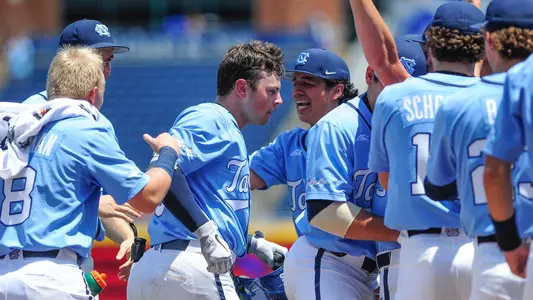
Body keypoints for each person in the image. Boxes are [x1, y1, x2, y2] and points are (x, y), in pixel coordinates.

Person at [250, 39, 426, 300]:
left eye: (308, 82)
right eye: (295, 82)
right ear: (369, 75)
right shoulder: (335, 127)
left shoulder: (408, 129)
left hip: (372, 269)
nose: (296, 90)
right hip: (328, 259)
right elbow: (326, 214)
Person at [0, 46, 180, 299]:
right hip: (51, 278)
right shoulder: (83, 129)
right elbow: (147, 198)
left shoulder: (13, 128)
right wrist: (167, 153)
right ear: (93, 94)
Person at [127, 40, 288, 300]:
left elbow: (208, 203)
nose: (279, 100)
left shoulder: (223, 127)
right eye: (271, 91)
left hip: (164, 265)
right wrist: (206, 232)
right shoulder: (213, 118)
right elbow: (165, 169)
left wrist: (251, 244)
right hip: (192, 266)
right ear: (242, 87)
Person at [364, 2, 486, 299]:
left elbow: (386, 180)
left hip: (421, 251)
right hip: (482, 249)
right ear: (482, 49)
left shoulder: (393, 97)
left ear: (430, 47)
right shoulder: (497, 98)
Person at [425, 1, 533, 299]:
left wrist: (510, 243)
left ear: (487, 40)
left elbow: (442, 186)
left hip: (493, 245)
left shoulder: (464, 101)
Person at [22, 19, 138, 280]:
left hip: (59, 263)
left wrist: (128, 236)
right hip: (47, 263)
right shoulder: (30, 115)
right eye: (99, 59)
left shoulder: (93, 119)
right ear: (70, 59)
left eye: (108, 61)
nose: (106, 69)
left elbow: (98, 200)